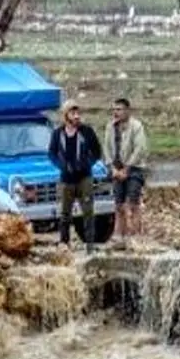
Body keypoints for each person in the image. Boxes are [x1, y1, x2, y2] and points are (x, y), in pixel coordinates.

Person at [49, 99, 102, 253]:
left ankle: (90, 244)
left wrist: (87, 164)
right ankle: (64, 243)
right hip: (66, 178)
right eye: (73, 113)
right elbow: (51, 153)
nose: (77, 116)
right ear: (66, 115)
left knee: (88, 211)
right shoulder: (58, 134)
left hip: (84, 177)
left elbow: (97, 152)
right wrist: (61, 165)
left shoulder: (86, 131)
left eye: (78, 113)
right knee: (65, 212)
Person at [102, 97, 149, 246]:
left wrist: (127, 168)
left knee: (132, 203)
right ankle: (119, 236)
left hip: (134, 169)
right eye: (114, 109)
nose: (116, 112)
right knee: (118, 205)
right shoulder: (110, 127)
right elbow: (106, 148)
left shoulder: (136, 126)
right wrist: (113, 168)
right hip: (116, 169)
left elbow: (140, 148)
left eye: (119, 109)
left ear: (127, 110)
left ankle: (134, 235)